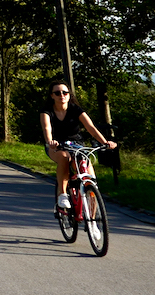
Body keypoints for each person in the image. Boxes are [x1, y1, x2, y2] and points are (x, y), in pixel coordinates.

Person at [40, 80, 116, 210]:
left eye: (65, 92)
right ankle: (63, 194)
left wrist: (105, 142)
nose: (62, 95)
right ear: (52, 95)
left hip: (76, 145)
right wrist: (50, 141)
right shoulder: (46, 111)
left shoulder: (75, 109)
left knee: (89, 178)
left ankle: (93, 224)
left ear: (69, 94)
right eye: (57, 93)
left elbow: (90, 127)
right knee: (64, 158)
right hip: (56, 146)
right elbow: (47, 128)